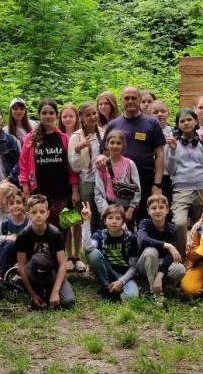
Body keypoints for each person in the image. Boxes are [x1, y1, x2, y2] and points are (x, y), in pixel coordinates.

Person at [98, 86, 166, 221]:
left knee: (147, 220)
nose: (130, 101)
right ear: (122, 101)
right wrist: (100, 159)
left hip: (146, 180)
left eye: (134, 98)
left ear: (140, 100)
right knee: (121, 222)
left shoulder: (151, 123)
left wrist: (157, 184)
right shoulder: (113, 124)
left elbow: (160, 155)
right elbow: (104, 152)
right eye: (127, 98)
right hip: (119, 184)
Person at [19, 99, 80, 235]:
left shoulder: (63, 137)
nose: (48, 116)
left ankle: (62, 255)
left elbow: (70, 165)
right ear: (39, 115)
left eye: (51, 113)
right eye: (44, 113)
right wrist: (25, 189)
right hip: (39, 191)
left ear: (56, 115)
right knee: (41, 228)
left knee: (63, 228)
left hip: (62, 191)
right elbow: (23, 165)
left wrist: (75, 189)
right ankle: (41, 255)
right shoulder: (31, 138)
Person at [166, 108, 203, 259]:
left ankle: (198, 257)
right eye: (182, 121)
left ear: (195, 122)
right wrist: (173, 151)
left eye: (189, 119)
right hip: (181, 189)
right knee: (180, 223)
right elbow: (170, 169)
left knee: (200, 226)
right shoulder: (173, 143)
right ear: (178, 125)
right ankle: (181, 257)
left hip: (201, 190)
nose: (186, 123)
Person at [15, 194, 75, 309]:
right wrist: (32, 294)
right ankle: (35, 292)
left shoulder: (55, 234)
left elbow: (63, 264)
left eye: (42, 212)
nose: (38, 215)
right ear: (28, 215)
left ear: (47, 213)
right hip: (32, 271)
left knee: (68, 302)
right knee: (38, 259)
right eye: (34, 212)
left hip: (52, 272)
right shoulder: (23, 236)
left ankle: (52, 290)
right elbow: (21, 266)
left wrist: (55, 291)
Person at [83, 204, 140, 300]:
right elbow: (88, 248)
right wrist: (86, 222)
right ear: (105, 221)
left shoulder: (131, 238)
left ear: (123, 222)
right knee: (93, 253)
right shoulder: (100, 235)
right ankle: (106, 288)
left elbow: (133, 267)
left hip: (124, 275)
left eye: (118, 218)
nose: (114, 221)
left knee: (132, 297)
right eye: (110, 218)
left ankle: (114, 292)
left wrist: (121, 282)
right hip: (106, 272)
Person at [136, 195, 186, 297]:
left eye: (161, 207)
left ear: (167, 210)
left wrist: (159, 275)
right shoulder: (144, 223)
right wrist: (167, 245)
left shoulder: (173, 229)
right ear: (148, 211)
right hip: (145, 263)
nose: (157, 211)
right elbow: (143, 239)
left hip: (163, 264)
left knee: (180, 269)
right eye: (153, 208)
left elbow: (170, 256)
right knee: (151, 251)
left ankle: (164, 286)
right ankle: (155, 293)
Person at [69, 101, 105, 233]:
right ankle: (90, 246)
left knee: (103, 214)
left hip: (102, 180)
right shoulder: (76, 137)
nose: (92, 117)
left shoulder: (103, 133)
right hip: (86, 182)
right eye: (88, 115)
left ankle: (103, 242)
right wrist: (78, 150)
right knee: (89, 215)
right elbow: (75, 167)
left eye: (94, 113)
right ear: (82, 118)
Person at [58, 103, 85, 271]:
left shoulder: (80, 136)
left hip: (79, 183)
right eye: (64, 116)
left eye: (71, 116)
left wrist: (75, 188)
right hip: (63, 185)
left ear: (77, 118)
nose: (68, 119)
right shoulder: (59, 137)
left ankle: (78, 255)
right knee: (67, 220)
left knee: (78, 222)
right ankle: (69, 256)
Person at [94, 130, 142, 223]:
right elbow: (98, 192)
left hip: (126, 208)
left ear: (123, 145)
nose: (115, 146)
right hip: (109, 207)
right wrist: (106, 212)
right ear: (107, 144)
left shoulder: (129, 164)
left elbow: (137, 189)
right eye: (112, 142)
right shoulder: (102, 165)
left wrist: (131, 209)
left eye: (118, 143)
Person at [0, 189, 29, 276]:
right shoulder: (4, 224)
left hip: (25, 256)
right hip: (7, 257)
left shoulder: (29, 223)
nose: (15, 206)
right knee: (9, 243)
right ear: (7, 207)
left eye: (18, 202)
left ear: (24, 205)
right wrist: (6, 238)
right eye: (11, 203)